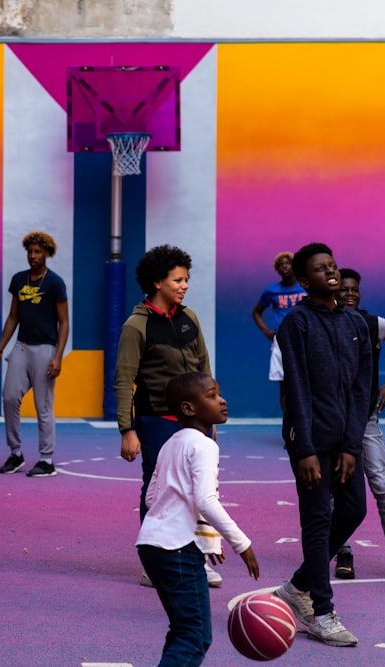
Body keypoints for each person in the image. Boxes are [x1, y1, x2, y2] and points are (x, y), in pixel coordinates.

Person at [273, 242, 370, 648]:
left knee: (354, 509)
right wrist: (306, 448)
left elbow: (360, 389)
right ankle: (322, 613)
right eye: (319, 268)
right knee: (316, 521)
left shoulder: (357, 325)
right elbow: (295, 387)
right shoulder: (295, 323)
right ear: (303, 279)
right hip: (310, 441)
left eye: (332, 265)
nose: (330, 272)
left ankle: (298, 585)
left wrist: (351, 445)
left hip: (344, 440)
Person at [113, 245, 220, 588]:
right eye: (178, 279)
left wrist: (209, 418)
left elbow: (204, 369)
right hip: (155, 421)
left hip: (194, 423)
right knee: (158, 490)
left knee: (199, 489)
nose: (184, 285)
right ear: (158, 282)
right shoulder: (136, 325)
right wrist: (126, 430)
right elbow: (123, 379)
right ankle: (153, 563)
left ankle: (196, 559)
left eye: (186, 279)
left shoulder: (190, 318)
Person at [137, 372, 259, 666]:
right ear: (189, 408)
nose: (222, 400)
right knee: (195, 636)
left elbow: (152, 499)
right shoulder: (204, 445)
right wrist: (242, 544)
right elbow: (205, 499)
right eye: (212, 395)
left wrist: (203, 538)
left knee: (182, 630)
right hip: (177, 550)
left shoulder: (170, 443)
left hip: (151, 545)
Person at [332, 268, 385, 582]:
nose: (350, 294)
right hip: (335, 420)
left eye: (355, 289)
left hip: (366, 418)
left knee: (382, 487)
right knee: (336, 490)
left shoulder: (374, 324)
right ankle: (344, 552)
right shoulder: (326, 324)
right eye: (344, 289)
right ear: (334, 291)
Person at [0, 231, 69, 478]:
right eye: (30, 251)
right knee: (10, 397)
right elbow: (13, 317)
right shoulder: (19, 280)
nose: (33, 256)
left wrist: (58, 356)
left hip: (45, 349)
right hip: (21, 347)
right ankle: (16, 453)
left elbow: (64, 322)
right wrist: (0, 348)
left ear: (47, 254)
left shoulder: (55, 283)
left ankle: (46, 459)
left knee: (43, 406)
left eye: (38, 252)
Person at [251, 251, 306, 412]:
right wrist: (266, 331)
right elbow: (256, 312)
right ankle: (289, 425)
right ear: (277, 269)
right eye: (281, 265)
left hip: (304, 338)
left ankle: (307, 423)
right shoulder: (272, 290)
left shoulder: (305, 287)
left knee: (307, 382)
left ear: (294, 266)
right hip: (282, 340)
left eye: (288, 263)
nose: (285, 267)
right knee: (285, 384)